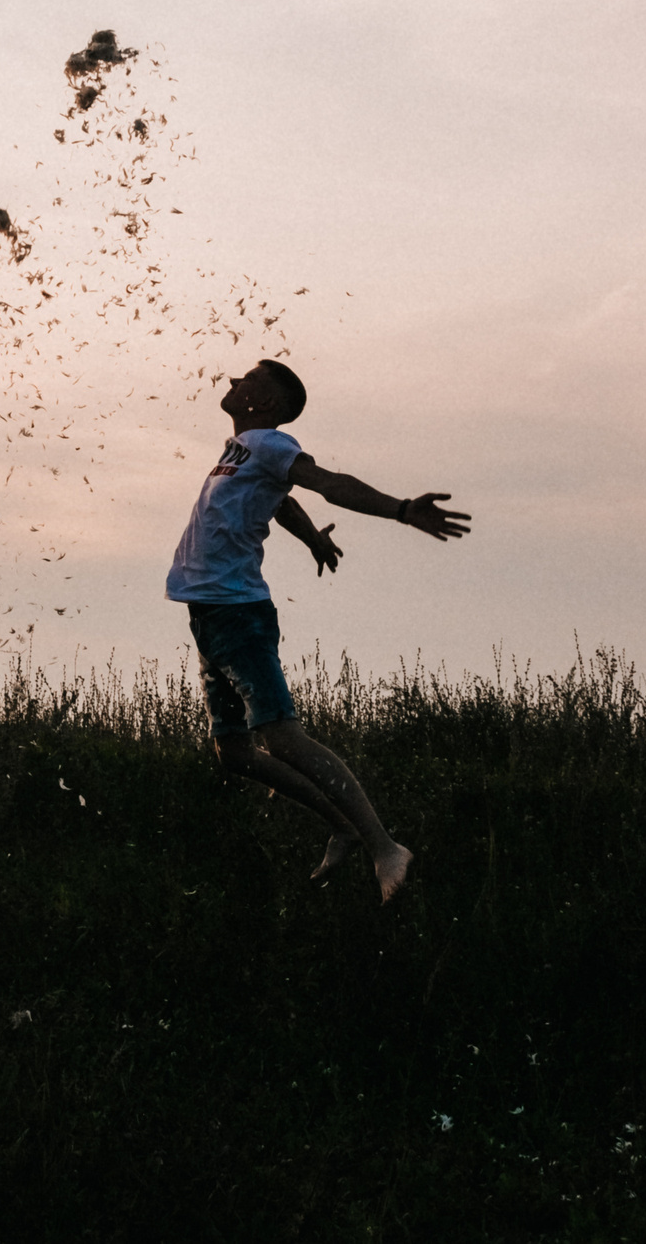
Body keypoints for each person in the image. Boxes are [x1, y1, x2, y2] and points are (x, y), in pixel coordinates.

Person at [169, 358, 470, 900]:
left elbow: (328, 484)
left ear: (267, 404)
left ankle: (384, 846)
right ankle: (342, 825)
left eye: (250, 378)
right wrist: (312, 540)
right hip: (209, 616)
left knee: (282, 738)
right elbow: (280, 501)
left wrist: (401, 509)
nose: (234, 379)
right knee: (233, 754)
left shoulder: (270, 444)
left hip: (239, 615)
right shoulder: (240, 452)